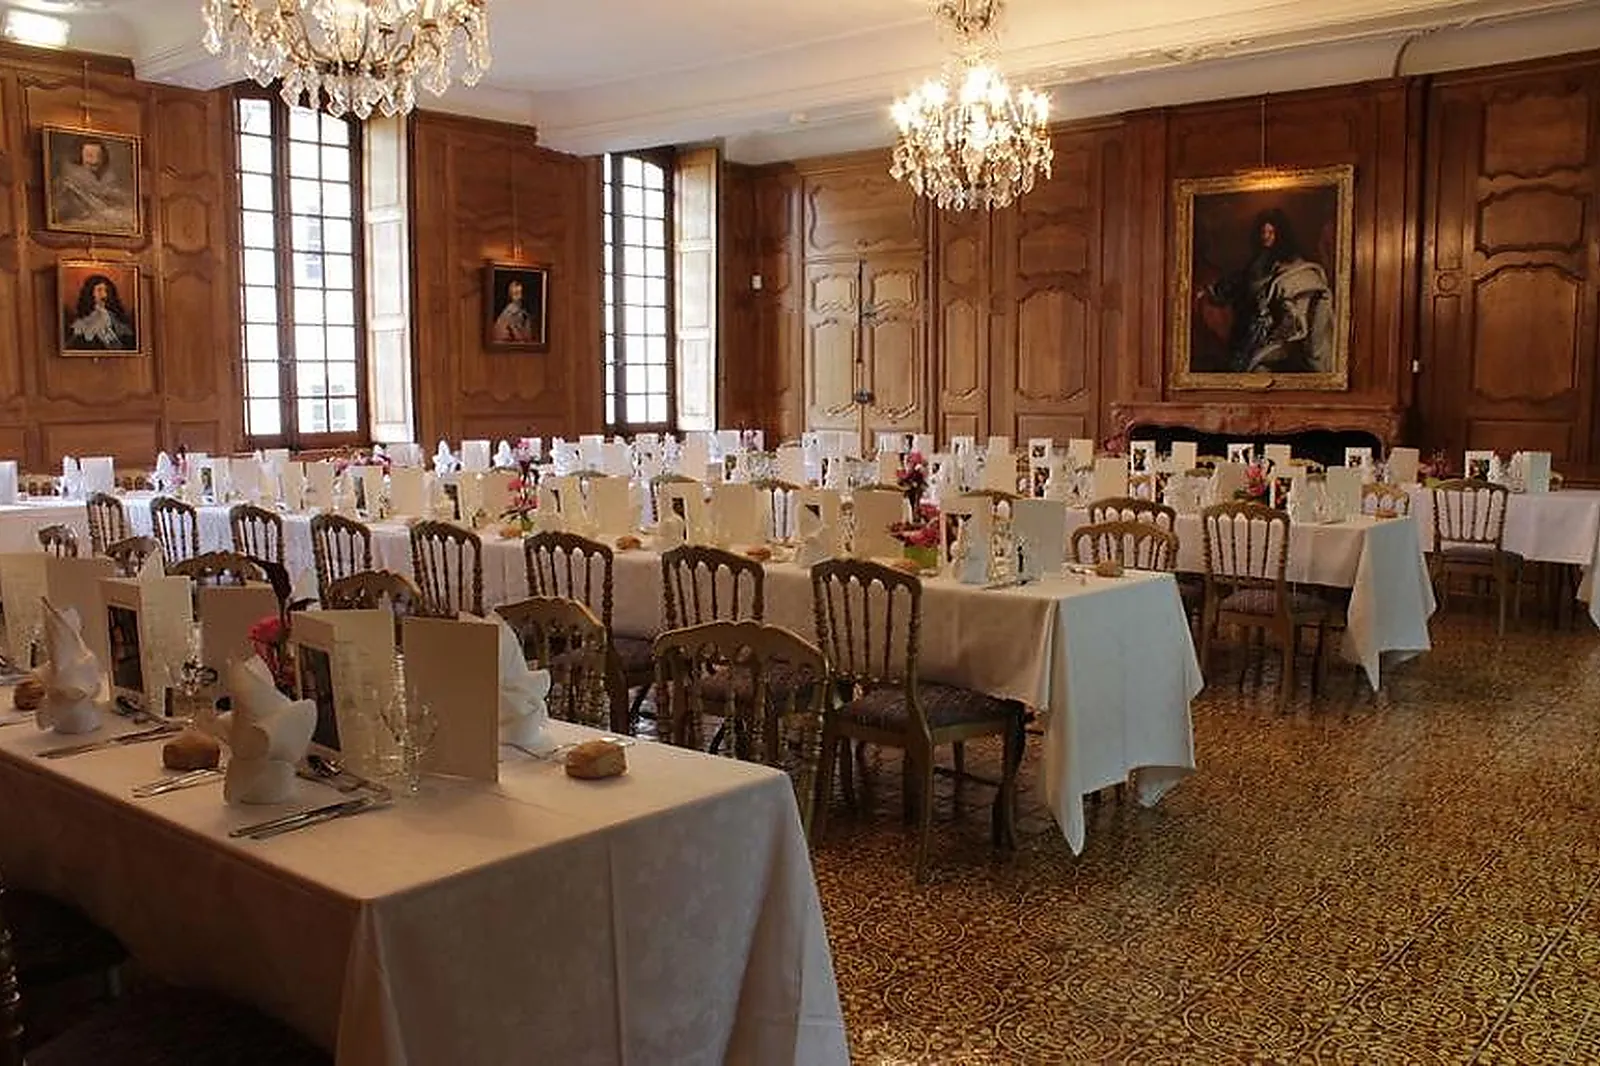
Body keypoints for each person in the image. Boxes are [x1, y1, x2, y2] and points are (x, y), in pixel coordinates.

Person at [1195, 208, 1334, 374]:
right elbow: (1238, 284)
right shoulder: (1256, 263)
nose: (1266, 236)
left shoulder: (1294, 268)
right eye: (1263, 232)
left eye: (1271, 232)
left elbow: (1299, 301)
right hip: (1249, 333)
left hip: (1277, 341)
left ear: (1280, 234)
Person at [53, 137, 136, 232]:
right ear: (79, 156)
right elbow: (65, 215)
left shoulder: (110, 182)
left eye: (99, 156)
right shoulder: (68, 185)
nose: (95, 161)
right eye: (89, 156)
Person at [64, 275, 136, 351]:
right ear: (90, 293)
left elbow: (123, 341)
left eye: (106, 290)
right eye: (99, 290)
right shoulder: (82, 319)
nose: (104, 295)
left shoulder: (113, 316)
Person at [492, 277, 539, 343]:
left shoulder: (522, 312)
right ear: (510, 296)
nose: (520, 297)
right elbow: (520, 339)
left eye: (521, 293)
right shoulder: (512, 312)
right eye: (516, 294)